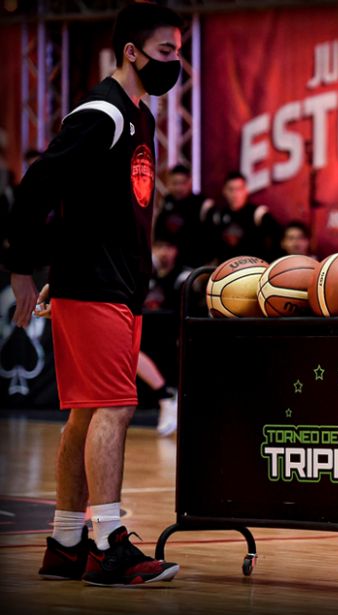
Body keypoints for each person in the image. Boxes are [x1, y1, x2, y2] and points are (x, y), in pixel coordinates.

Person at [6, 2, 183, 586]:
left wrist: (67, 262)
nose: (174, 62)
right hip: (95, 284)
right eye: (165, 51)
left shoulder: (141, 117)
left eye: (178, 52)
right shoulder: (102, 112)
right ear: (131, 52)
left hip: (115, 282)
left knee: (87, 411)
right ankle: (108, 543)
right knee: (116, 406)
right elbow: (36, 187)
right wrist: (22, 267)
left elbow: (92, 206)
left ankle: (65, 543)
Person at [141, 234, 190, 437]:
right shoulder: (146, 274)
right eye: (159, 247)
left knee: (128, 349)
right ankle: (166, 396)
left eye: (168, 247)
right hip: (146, 332)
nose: (163, 252)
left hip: (172, 333)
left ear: (176, 251)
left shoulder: (184, 276)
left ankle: (167, 396)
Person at [203, 171, 280, 263]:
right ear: (224, 191)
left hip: (252, 267)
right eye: (231, 189)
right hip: (225, 267)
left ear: (246, 190)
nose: (235, 194)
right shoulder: (217, 215)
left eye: (239, 189)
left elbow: (277, 237)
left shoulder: (257, 214)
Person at [155, 163, 210, 267]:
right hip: (169, 264)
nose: (178, 188)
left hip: (193, 262)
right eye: (174, 183)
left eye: (182, 183)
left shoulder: (200, 203)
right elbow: (159, 232)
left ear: (190, 182)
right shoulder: (167, 201)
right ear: (169, 183)